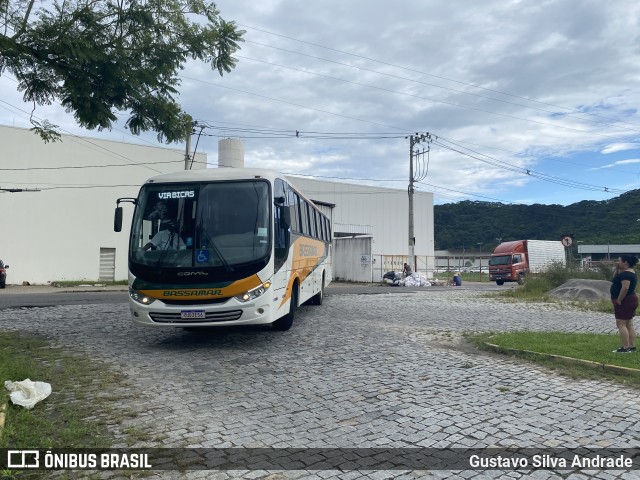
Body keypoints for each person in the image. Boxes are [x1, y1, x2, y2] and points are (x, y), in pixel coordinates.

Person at [610, 255, 638, 353]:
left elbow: (625, 287)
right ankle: (631, 346)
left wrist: (619, 300)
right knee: (629, 323)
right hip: (630, 299)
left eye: (619, 261)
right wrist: (617, 269)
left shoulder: (627, 275)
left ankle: (625, 347)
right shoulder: (628, 272)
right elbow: (614, 280)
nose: (618, 262)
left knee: (621, 323)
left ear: (625, 262)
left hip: (625, 300)